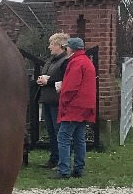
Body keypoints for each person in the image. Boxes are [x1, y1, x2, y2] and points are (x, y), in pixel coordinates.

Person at [55, 36, 96, 179]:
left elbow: (71, 87)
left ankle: (63, 170)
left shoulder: (75, 63)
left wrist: (64, 100)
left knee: (63, 137)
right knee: (79, 138)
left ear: (71, 48)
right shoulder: (87, 62)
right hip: (85, 105)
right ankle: (79, 168)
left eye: (67, 47)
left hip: (74, 106)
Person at [35, 33, 70, 167]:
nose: (49, 47)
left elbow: (65, 80)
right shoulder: (51, 60)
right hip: (47, 99)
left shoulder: (65, 61)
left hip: (57, 100)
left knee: (58, 131)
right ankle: (54, 158)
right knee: (50, 131)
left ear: (60, 46)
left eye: (52, 44)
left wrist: (48, 81)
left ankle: (61, 159)